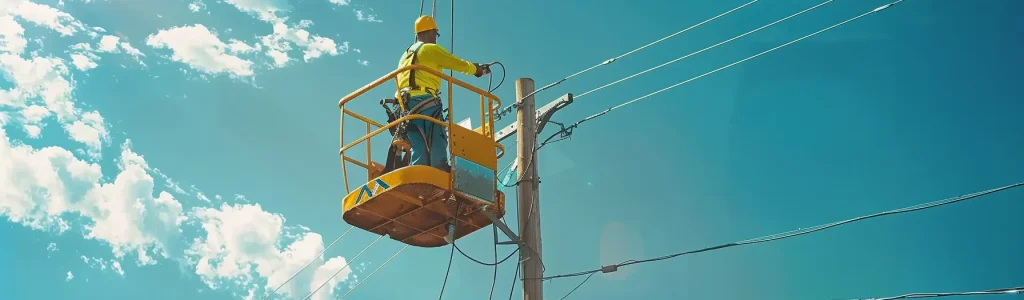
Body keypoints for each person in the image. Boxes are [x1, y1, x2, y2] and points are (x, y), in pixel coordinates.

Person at [394, 15, 490, 172]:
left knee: (418, 142)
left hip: (405, 105)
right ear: (431, 32)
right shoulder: (430, 49)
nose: (435, 38)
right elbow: (455, 63)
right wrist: (477, 70)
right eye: (436, 34)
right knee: (437, 137)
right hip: (425, 101)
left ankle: (419, 172)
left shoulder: (405, 55)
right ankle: (439, 170)